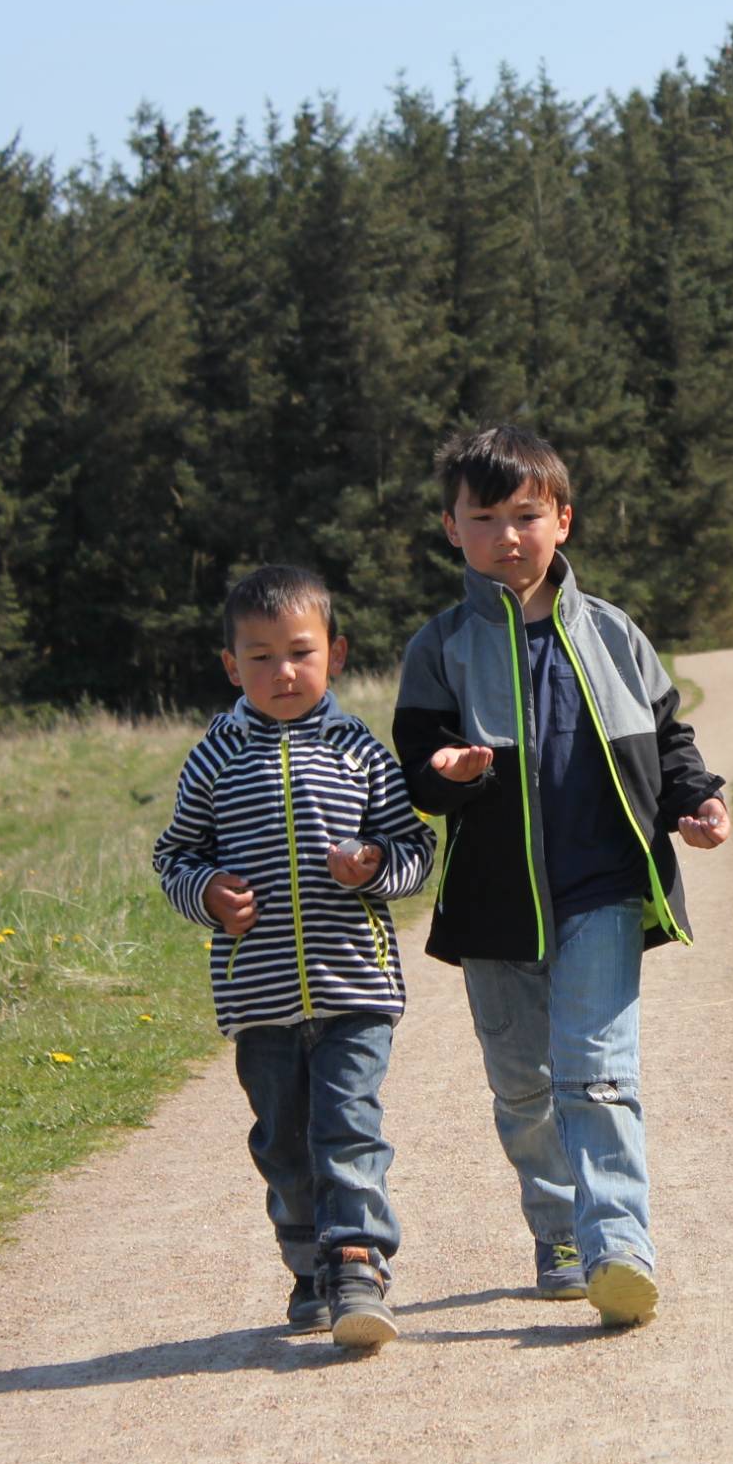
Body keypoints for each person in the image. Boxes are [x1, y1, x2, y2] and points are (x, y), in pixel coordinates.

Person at [394, 425, 730, 1329]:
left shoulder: (616, 634)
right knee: (525, 1089)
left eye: (527, 515)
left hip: (604, 893)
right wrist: (446, 773)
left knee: (599, 1074)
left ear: (564, 521)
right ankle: (562, 1233)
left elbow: (669, 742)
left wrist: (697, 802)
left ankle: (619, 1244)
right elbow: (414, 763)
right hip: (494, 907)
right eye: (486, 517)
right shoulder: (439, 648)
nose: (509, 534)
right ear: (451, 529)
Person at [154, 564, 436, 1350]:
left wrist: (376, 864)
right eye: (261, 656)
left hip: (355, 986)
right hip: (261, 998)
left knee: (346, 1124)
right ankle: (310, 1268)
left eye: (300, 653)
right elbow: (175, 856)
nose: (283, 672)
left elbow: (416, 849)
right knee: (281, 1139)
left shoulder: (360, 752)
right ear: (230, 666)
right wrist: (208, 892)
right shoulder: (213, 759)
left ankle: (356, 1263)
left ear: (336, 655)